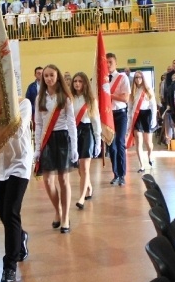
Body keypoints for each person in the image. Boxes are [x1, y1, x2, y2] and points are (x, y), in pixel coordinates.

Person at [0, 96, 32, 282]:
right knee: (2, 213)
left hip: (19, 162)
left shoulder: (23, 103)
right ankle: (20, 237)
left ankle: (9, 266)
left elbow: (17, 129)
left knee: (11, 211)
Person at [34, 64, 78, 233]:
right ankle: (57, 210)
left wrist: (74, 147)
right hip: (47, 140)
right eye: (46, 76)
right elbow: (38, 124)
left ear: (57, 76)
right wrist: (37, 148)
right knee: (47, 180)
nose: (49, 78)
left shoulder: (65, 97)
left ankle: (65, 216)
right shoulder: (40, 98)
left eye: (51, 75)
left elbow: (71, 122)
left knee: (64, 180)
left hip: (63, 138)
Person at [70, 72, 101, 209]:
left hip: (87, 132)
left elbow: (96, 121)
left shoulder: (90, 100)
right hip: (74, 132)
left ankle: (81, 198)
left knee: (84, 167)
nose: (77, 83)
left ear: (85, 83)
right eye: (75, 81)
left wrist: (98, 141)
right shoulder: (69, 99)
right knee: (79, 168)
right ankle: (88, 187)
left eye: (80, 81)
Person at [104, 52, 130, 185]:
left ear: (116, 63)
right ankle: (115, 174)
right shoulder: (102, 79)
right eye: (106, 62)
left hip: (120, 114)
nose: (108, 65)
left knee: (120, 143)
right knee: (111, 146)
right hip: (108, 115)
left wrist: (110, 95)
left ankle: (122, 175)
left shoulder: (122, 77)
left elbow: (125, 98)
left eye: (110, 62)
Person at [129, 71, 157, 172]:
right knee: (138, 142)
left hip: (147, 115)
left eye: (140, 77)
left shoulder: (148, 90)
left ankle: (150, 155)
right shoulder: (132, 91)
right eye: (136, 78)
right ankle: (142, 165)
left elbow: (153, 105)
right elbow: (130, 108)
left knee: (148, 143)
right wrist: (130, 122)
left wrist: (153, 119)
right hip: (137, 116)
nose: (138, 79)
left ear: (143, 78)